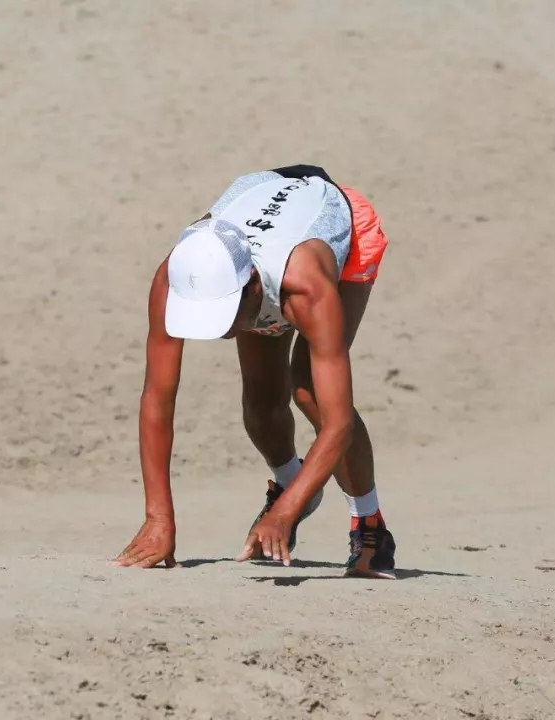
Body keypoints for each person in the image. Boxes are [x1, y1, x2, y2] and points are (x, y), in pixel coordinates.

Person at [114, 164, 397, 579]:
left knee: (310, 391)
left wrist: (284, 514)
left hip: (337, 228)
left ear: (251, 287)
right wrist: (159, 518)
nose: (224, 330)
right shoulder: (176, 275)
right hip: (264, 210)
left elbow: (338, 425)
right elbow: (158, 398)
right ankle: (291, 481)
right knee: (262, 401)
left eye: (226, 315)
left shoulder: (306, 288)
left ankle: (369, 523)